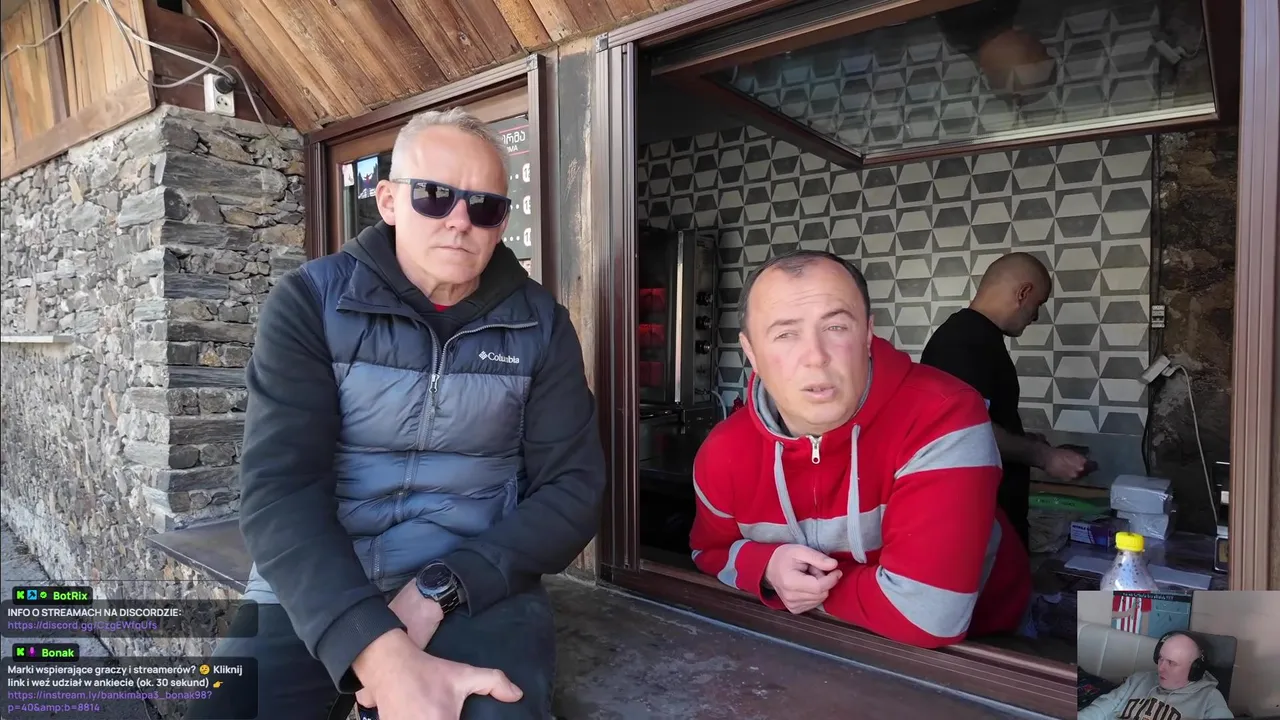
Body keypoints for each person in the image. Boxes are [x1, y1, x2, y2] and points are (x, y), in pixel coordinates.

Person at [186, 108, 606, 720]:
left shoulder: (540, 325)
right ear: (387, 201)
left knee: (499, 711)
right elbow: (280, 489)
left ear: (501, 223)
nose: (459, 220)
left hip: (476, 581)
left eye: (484, 207)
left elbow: (573, 489)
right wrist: (374, 646)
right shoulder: (310, 303)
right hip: (322, 577)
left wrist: (445, 586)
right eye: (434, 196)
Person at [689, 250, 1031, 649]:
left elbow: (926, 616)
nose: (816, 357)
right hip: (813, 649)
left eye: (836, 327)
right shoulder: (724, 451)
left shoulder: (944, 416)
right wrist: (766, 567)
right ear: (752, 353)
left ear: (867, 334)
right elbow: (708, 551)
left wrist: (807, 589)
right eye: (785, 334)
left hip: (987, 649)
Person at [920, 252, 1090, 551]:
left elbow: (983, 418)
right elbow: (965, 431)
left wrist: (1022, 439)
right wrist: (1044, 456)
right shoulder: (962, 343)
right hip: (979, 526)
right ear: (1023, 292)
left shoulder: (980, 338)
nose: (1036, 316)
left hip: (998, 520)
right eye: (1038, 304)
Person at [1080, 631, 1232, 719]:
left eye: (1171, 663)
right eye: (1160, 658)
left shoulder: (1210, 698)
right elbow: (1099, 710)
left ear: (1194, 669)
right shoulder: (1138, 680)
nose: (1161, 668)